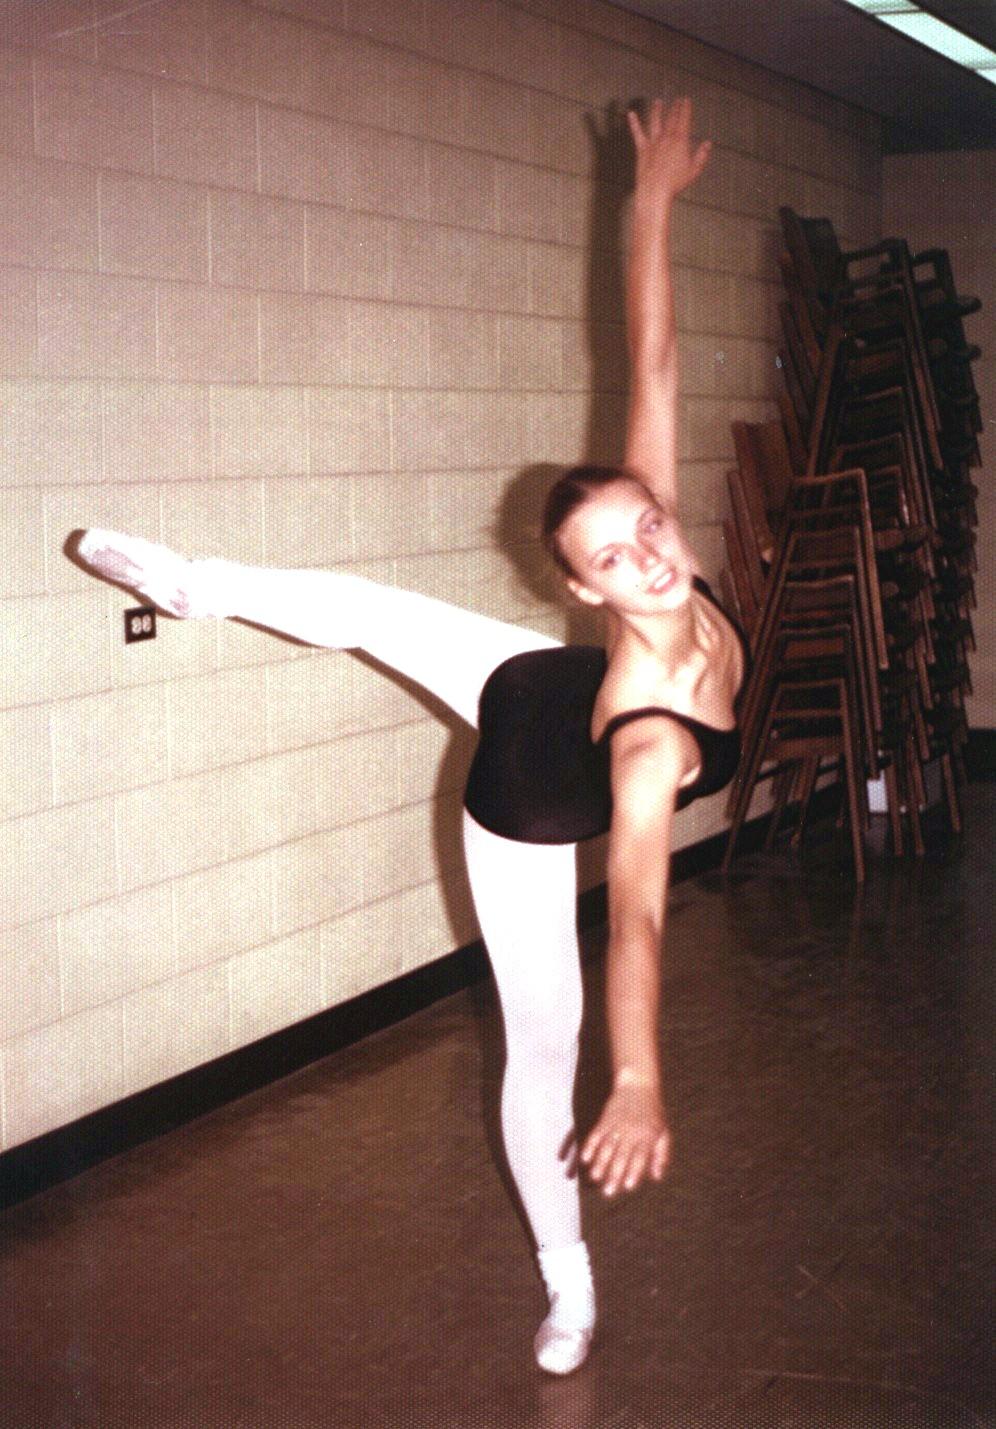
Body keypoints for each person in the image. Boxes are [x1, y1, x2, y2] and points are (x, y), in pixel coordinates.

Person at [76, 98, 745, 1376]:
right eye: (615, 557)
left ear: (664, 518)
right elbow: (648, 913)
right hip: (529, 744)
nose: (651, 556)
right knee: (370, 616)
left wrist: (650, 202)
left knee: (535, 1059)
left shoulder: (656, 633)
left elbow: (652, 364)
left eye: (650, 528)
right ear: (588, 591)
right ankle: (192, 584)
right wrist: (645, 1073)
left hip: (535, 744)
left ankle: (564, 1284)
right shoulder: (644, 692)